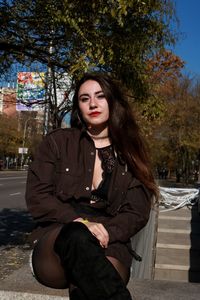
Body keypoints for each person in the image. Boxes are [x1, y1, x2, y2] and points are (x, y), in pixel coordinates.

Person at [26, 73, 158, 300]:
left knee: (91, 281)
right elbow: (38, 196)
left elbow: (136, 212)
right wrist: (81, 223)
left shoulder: (131, 153)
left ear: (112, 102)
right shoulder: (58, 142)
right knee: (77, 235)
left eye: (100, 96)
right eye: (84, 99)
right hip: (56, 239)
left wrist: (106, 231)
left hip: (108, 241)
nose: (93, 104)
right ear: (78, 106)